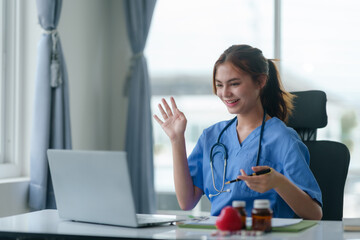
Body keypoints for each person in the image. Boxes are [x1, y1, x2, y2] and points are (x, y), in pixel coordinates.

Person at [153, 44, 322, 220]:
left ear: (260, 82)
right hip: (220, 233)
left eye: (234, 84)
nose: (225, 93)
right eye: (219, 85)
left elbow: (314, 213)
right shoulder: (211, 136)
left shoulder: (283, 139)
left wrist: (278, 182)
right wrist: (176, 139)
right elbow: (186, 202)